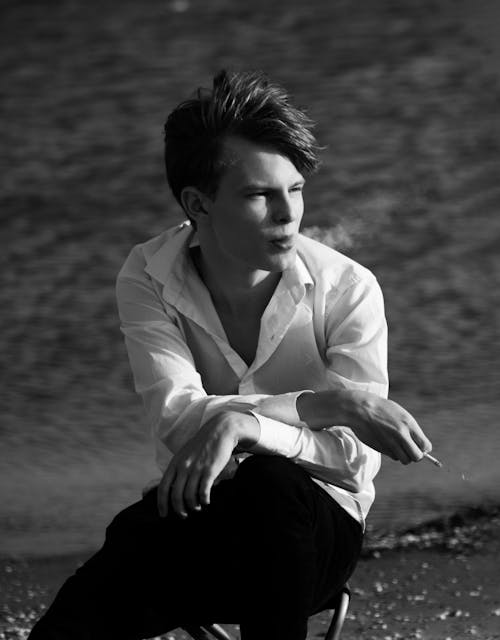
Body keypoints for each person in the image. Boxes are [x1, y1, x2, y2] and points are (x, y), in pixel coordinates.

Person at [30, 69, 432, 640]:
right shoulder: (148, 274)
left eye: (294, 189)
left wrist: (246, 428)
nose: (287, 213)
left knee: (271, 487)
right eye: (258, 194)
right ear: (200, 203)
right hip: (206, 524)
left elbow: (350, 461)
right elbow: (177, 419)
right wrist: (326, 405)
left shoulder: (348, 287)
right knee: (98, 583)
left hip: (316, 538)